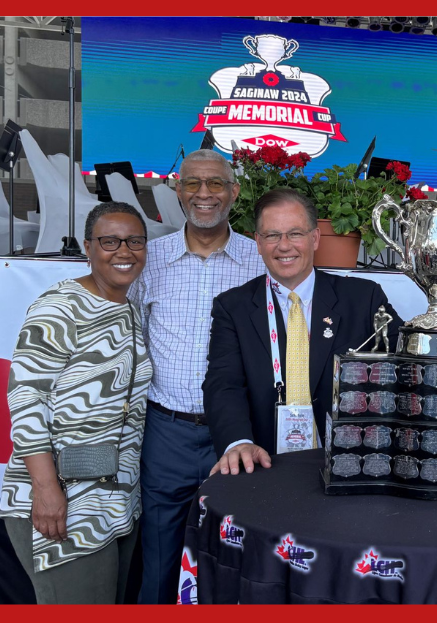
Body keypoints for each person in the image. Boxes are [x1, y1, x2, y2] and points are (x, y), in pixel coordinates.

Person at [0, 202, 152, 603]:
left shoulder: (130, 309)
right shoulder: (60, 307)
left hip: (114, 500)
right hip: (65, 499)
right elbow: (26, 398)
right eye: (110, 241)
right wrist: (46, 489)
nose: (124, 251)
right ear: (87, 247)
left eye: (135, 241)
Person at [128, 149, 264, 604]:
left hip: (241, 435)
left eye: (215, 184)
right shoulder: (151, 260)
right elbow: (134, 341)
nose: (204, 194)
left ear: (234, 192)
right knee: (160, 562)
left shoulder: (261, 259)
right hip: (166, 432)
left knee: (239, 557)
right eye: (192, 184)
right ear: (176, 189)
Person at [204, 188, 403, 475]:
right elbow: (223, 384)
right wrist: (238, 442)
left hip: (349, 466)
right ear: (258, 243)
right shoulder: (232, 307)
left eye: (295, 233)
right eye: (272, 235)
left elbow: (400, 365)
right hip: (263, 465)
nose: (284, 246)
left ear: (315, 238)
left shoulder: (364, 299)